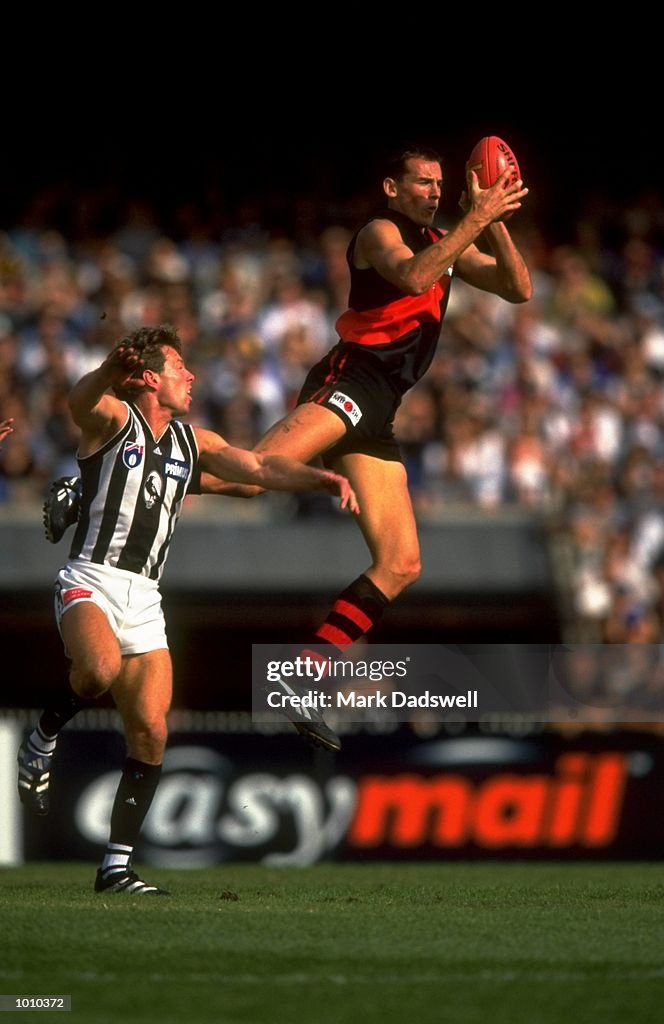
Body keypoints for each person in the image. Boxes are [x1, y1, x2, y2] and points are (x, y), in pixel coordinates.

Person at [43, 144, 532, 752]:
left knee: (402, 563)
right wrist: (475, 220)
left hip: (382, 407)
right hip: (349, 383)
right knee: (250, 477)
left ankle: (303, 677)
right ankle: (92, 484)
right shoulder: (382, 232)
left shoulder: (449, 236)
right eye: (422, 183)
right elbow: (414, 275)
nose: (434, 191)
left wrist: (497, 220)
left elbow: (518, 289)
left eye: (440, 183)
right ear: (391, 187)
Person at [18, 324, 358, 895]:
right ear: (149, 378)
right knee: (97, 671)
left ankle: (116, 869)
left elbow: (256, 469)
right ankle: (43, 735)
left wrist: (318, 479)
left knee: (151, 732)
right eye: (180, 366)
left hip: (146, 598)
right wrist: (107, 370)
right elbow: (79, 401)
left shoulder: (190, 440)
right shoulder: (114, 419)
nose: (192, 375)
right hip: (91, 581)